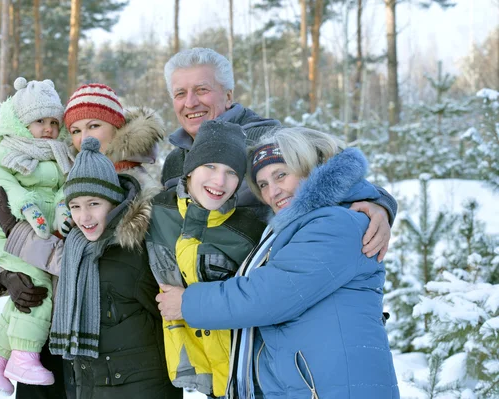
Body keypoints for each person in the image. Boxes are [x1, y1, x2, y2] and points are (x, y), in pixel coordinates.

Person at [156, 127, 400, 399]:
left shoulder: (336, 224)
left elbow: (269, 295)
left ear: (308, 167)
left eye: (281, 175)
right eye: (262, 185)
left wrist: (187, 303)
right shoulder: (298, 226)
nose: (273, 192)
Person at [0, 83, 180, 399]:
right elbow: (40, 231)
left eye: (94, 126)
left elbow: (99, 263)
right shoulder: (61, 169)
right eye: (74, 129)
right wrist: (8, 277)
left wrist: (18, 237)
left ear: (117, 128)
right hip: (50, 324)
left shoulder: (135, 187)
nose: (83, 137)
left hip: (111, 344)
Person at [160, 47, 396, 260]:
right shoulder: (174, 161)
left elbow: (343, 172)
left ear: (229, 95)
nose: (190, 103)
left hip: (265, 285)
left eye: (202, 90)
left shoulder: (267, 140)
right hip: (197, 295)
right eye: (180, 94)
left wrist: (379, 205)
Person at [146, 120, 267, 397]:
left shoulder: (249, 231)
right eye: (210, 166)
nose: (219, 181)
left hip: (247, 374)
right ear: (190, 169)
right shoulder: (155, 214)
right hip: (195, 373)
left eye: (231, 172)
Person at [0, 77, 75, 396]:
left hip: (43, 238)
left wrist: (62, 211)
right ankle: (24, 357)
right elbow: (4, 187)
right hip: (10, 234)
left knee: (30, 289)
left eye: (54, 122)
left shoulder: (60, 157)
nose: (47, 129)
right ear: (20, 122)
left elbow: (62, 190)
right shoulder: (4, 153)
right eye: (39, 121)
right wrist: (25, 205)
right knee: (36, 290)